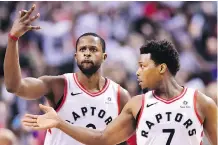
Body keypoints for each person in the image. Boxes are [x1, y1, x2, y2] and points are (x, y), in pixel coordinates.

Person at [23, 40, 217, 145]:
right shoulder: (137, 104)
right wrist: (60, 124)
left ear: (161, 68)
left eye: (143, 66)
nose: (137, 72)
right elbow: (101, 139)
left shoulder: (202, 102)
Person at [4, 4, 131, 145]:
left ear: (104, 56)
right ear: (76, 56)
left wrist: (60, 123)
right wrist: (13, 39)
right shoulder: (59, 85)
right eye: (83, 49)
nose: (87, 53)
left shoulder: (120, 95)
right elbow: (14, 86)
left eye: (93, 49)